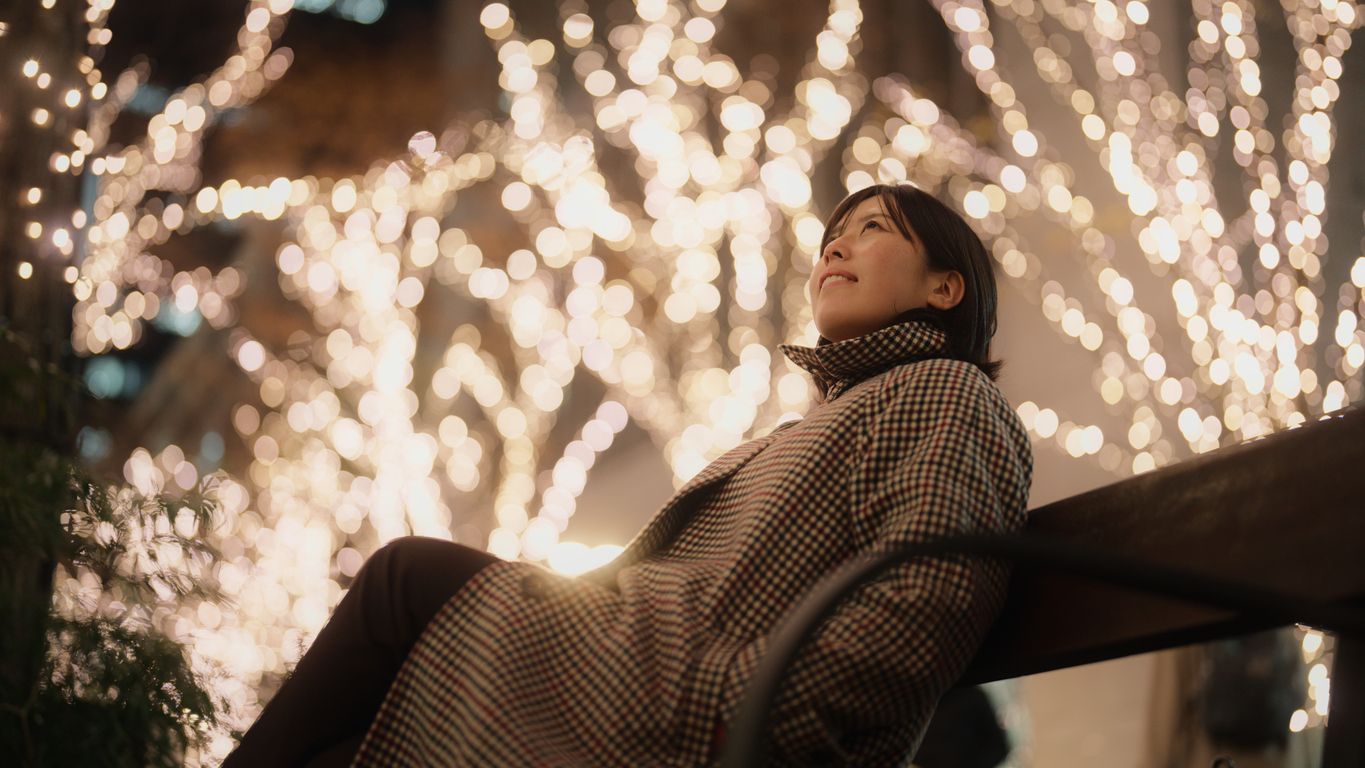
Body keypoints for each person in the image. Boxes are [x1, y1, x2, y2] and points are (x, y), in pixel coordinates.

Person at [224, 183, 1033, 767]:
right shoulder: (831, 417)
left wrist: (746, 713)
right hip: (644, 672)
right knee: (358, 748)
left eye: (872, 230)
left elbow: (930, 590)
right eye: (833, 235)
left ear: (944, 287)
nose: (835, 247)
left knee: (405, 581)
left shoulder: (946, 392)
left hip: (692, 698)